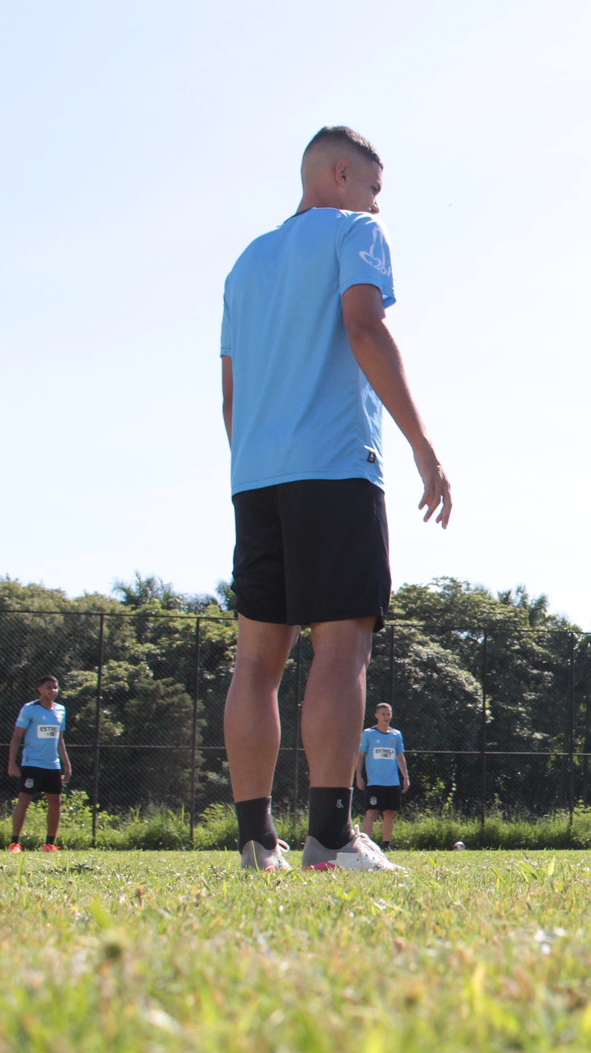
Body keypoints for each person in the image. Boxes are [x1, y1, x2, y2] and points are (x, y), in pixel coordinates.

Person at [220, 126, 452, 875]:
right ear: (342, 174)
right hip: (334, 469)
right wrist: (421, 441)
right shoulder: (356, 233)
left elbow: (230, 395)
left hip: (255, 477)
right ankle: (330, 836)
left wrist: (257, 463)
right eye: (375, 189)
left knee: (256, 662)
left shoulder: (246, 263)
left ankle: (257, 843)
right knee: (341, 646)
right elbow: (363, 324)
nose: (378, 205)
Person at [6, 674, 72, 852]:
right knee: (24, 800)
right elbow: (16, 737)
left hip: (53, 765)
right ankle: (15, 843)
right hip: (32, 763)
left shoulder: (60, 710)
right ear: (40, 689)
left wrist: (66, 764)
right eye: (49, 687)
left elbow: (59, 739)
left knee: (55, 801)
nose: (53, 691)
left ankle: (49, 844)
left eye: (55, 687)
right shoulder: (30, 709)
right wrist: (12, 764)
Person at [350, 703, 410, 848]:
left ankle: (386, 844)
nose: (386, 717)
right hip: (375, 782)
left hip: (393, 782)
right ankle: (366, 844)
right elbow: (360, 756)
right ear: (376, 715)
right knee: (372, 812)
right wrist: (359, 775)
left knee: (390, 813)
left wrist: (405, 778)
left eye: (388, 714)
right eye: (383, 714)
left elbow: (400, 757)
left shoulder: (396, 735)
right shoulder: (368, 734)